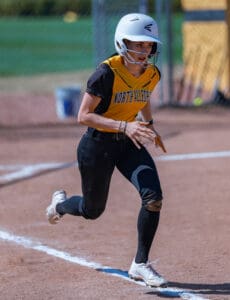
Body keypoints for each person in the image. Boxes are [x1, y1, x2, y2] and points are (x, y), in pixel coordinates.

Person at [46, 13, 168, 288]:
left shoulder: (152, 73)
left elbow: (143, 95)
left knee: (153, 197)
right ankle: (60, 205)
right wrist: (126, 126)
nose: (144, 50)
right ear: (122, 43)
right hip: (97, 146)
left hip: (128, 144)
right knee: (92, 210)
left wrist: (148, 124)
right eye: (138, 43)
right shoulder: (106, 73)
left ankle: (140, 264)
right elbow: (83, 116)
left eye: (149, 45)